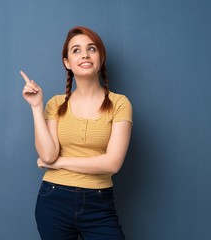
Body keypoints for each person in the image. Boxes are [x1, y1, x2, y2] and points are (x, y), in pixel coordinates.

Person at [21, 26, 132, 240]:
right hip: (53, 199)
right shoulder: (55, 104)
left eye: (92, 49)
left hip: (99, 203)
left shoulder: (120, 104)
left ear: (101, 57)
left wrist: (59, 163)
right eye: (76, 50)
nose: (85, 55)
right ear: (67, 62)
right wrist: (36, 107)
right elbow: (47, 156)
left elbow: (113, 163)